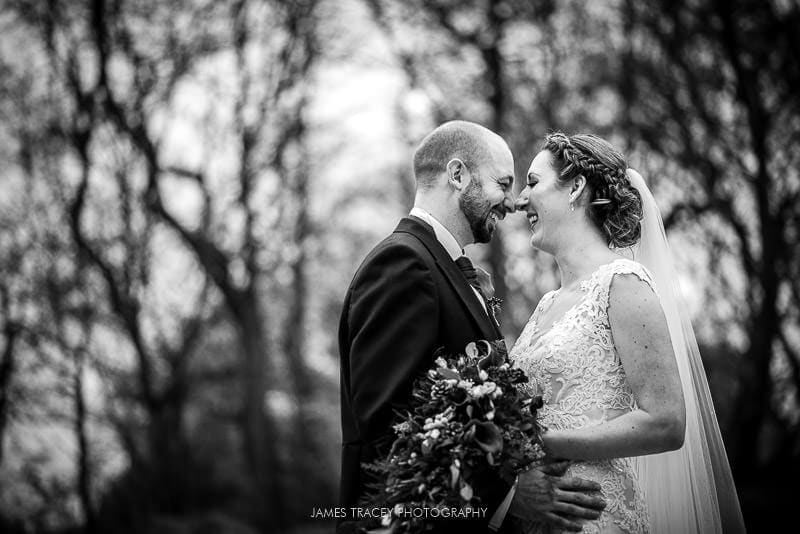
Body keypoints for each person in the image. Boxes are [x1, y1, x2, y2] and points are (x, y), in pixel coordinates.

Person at [337, 121, 606, 533]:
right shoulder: (404, 265)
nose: (513, 202)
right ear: (458, 175)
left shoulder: (441, 266)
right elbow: (388, 429)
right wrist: (510, 493)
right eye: (502, 182)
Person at [509, 132, 745, 533]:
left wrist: (546, 443)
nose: (519, 200)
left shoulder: (623, 284)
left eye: (532, 183)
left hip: (594, 515)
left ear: (576, 188)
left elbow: (667, 423)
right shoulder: (547, 303)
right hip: (535, 513)